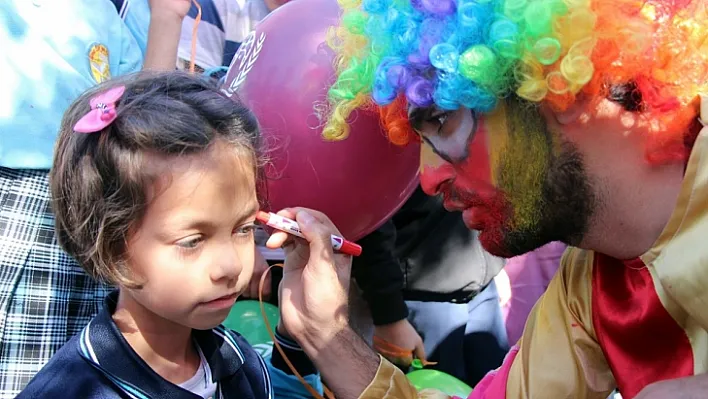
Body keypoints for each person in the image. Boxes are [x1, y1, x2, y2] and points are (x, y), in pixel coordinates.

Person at [263, 0, 708, 398]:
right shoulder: (587, 288)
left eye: (442, 119)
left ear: (557, 84)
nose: (430, 180)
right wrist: (327, 334)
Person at [18, 71, 323, 398]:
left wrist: (295, 337)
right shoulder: (72, 391)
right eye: (193, 241)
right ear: (110, 245)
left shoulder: (238, 359)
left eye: (243, 228)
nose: (231, 265)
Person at [0, 1, 187, 396]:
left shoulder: (114, 14)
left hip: (98, 209)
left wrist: (167, 16)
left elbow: (144, 122)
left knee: (78, 375)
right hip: (24, 197)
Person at [353, 186, 508, 385]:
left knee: (498, 384)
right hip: (423, 297)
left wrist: (495, 258)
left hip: (482, 286)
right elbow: (369, 216)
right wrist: (389, 315)